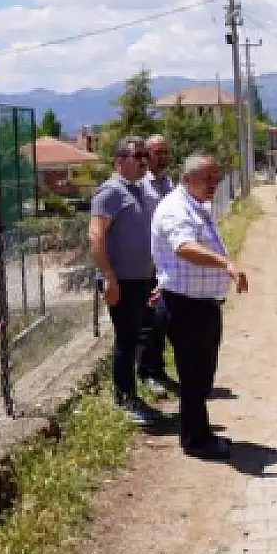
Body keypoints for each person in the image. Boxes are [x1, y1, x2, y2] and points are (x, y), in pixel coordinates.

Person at [151, 153, 248, 458]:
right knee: (194, 378)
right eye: (208, 179)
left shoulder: (196, 206)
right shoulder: (176, 210)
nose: (215, 185)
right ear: (187, 179)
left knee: (201, 376)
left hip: (199, 305)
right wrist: (226, 264)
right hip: (185, 308)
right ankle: (197, 441)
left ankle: (199, 434)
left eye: (216, 179)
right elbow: (184, 247)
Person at [89, 136, 162, 424]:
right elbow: (96, 236)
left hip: (141, 279)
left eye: (146, 155)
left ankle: (132, 393)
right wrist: (108, 277)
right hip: (122, 281)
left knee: (137, 337)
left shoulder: (137, 190)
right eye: (138, 156)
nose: (145, 161)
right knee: (126, 339)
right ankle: (123, 399)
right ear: (120, 161)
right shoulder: (109, 193)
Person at [137, 133, 178, 395]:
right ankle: (147, 373)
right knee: (146, 322)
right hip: (146, 265)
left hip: (166, 265)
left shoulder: (169, 183)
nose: (162, 157)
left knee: (161, 320)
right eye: (157, 152)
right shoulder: (141, 186)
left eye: (165, 152)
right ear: (147, 155)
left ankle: (159, 370)